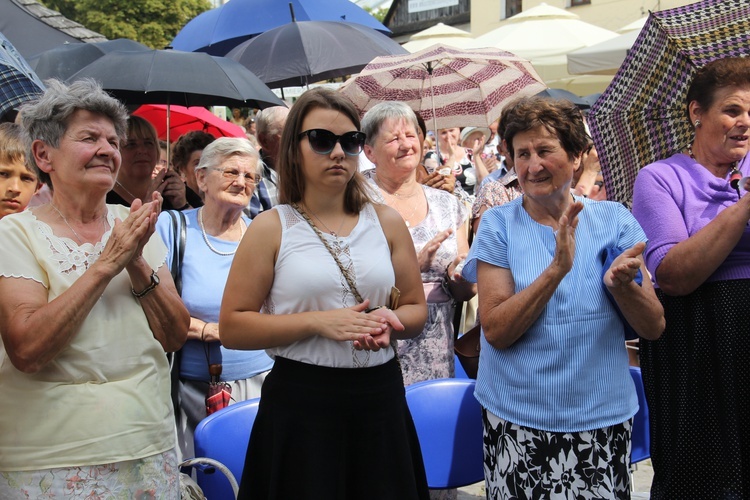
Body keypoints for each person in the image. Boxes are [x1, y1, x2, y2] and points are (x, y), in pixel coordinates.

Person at [220, 87, 429, 499]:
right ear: (293, 149)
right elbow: (233, 326)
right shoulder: (272, 226)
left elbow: (416, 308)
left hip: (379, 396)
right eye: (321, 140)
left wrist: (393, 322)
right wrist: (318, 323)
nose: (337, 152)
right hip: (302, 403)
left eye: (349, 142)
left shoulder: (386, 222)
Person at [463, 96, 664, 499]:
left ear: (575, 157)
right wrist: (556, 269)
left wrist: (623, 287)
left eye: (544, 150)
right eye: (522, 154)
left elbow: (654, 326)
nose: (532, 165)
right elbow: (496, 331)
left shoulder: (614, 219)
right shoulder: (498, 225)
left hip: (600, 420)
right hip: (518, 420)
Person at [0, 79, 189, 497]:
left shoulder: (136, 223)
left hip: (148, 446)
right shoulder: (13, 234)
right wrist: (107, 264)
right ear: (43, 155)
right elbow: (27, 349)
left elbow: (174, 335)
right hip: (50, 460)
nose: (108, 150)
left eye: (112, 141)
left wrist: (136, 260)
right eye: (89, 138)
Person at [631, 56, 750, 499]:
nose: (744, 122)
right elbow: (674, 275)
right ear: (697, 112)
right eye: (733, 110)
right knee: (705, 480)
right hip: (699, 343)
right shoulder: (661, 178)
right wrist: (743, 208)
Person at [156, 137, 274, 461]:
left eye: (251, 176)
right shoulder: (171, 227)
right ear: (202, 179)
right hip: (187, 389)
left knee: (251, 475)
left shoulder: (263, 234)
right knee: (198, 477)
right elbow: (153, 308)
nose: (241, 182)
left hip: (260, 384)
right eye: (231, 172)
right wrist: (208, 330)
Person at [361, 102, 476, 390]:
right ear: (369, 151)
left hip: (437, 342)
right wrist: (410, 267)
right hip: (378, 340)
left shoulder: (447, 203)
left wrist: (461, 275)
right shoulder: (354, 201)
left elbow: (461, 290)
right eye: (393, 138)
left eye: (411, 136)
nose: (405, 145)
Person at [108, 115, 190, 211]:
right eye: (131, 144)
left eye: (148, 143)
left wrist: (182, 205)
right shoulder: (102, 197)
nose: (142, 150)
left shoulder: (175, 191)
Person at [425, 127, 490, 197]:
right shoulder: (432, 156)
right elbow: (441, 182)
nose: (448, 136)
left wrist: (476, 156)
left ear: (458, 131)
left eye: (451, 130)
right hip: (448, 202)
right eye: (443, 133)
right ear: (436, 135)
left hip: (473, 203)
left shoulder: (470, 153)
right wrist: (452, 157)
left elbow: (486, 182)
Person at [0, 122, 40, 219]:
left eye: (26, 178)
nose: (15, 188)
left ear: (38, 187)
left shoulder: (37, 230)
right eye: (3, 174)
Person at [254, 105, 290, 206]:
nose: (296, 140)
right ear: (264, 140)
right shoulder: (249, 179)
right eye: (288, 134)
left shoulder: (309, 171)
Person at [171, 130, 215, 208]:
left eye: (209, 162)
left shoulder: (222, 201)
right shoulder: (174, 201)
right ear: (182, 170)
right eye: (197, 163)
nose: (205, 168)